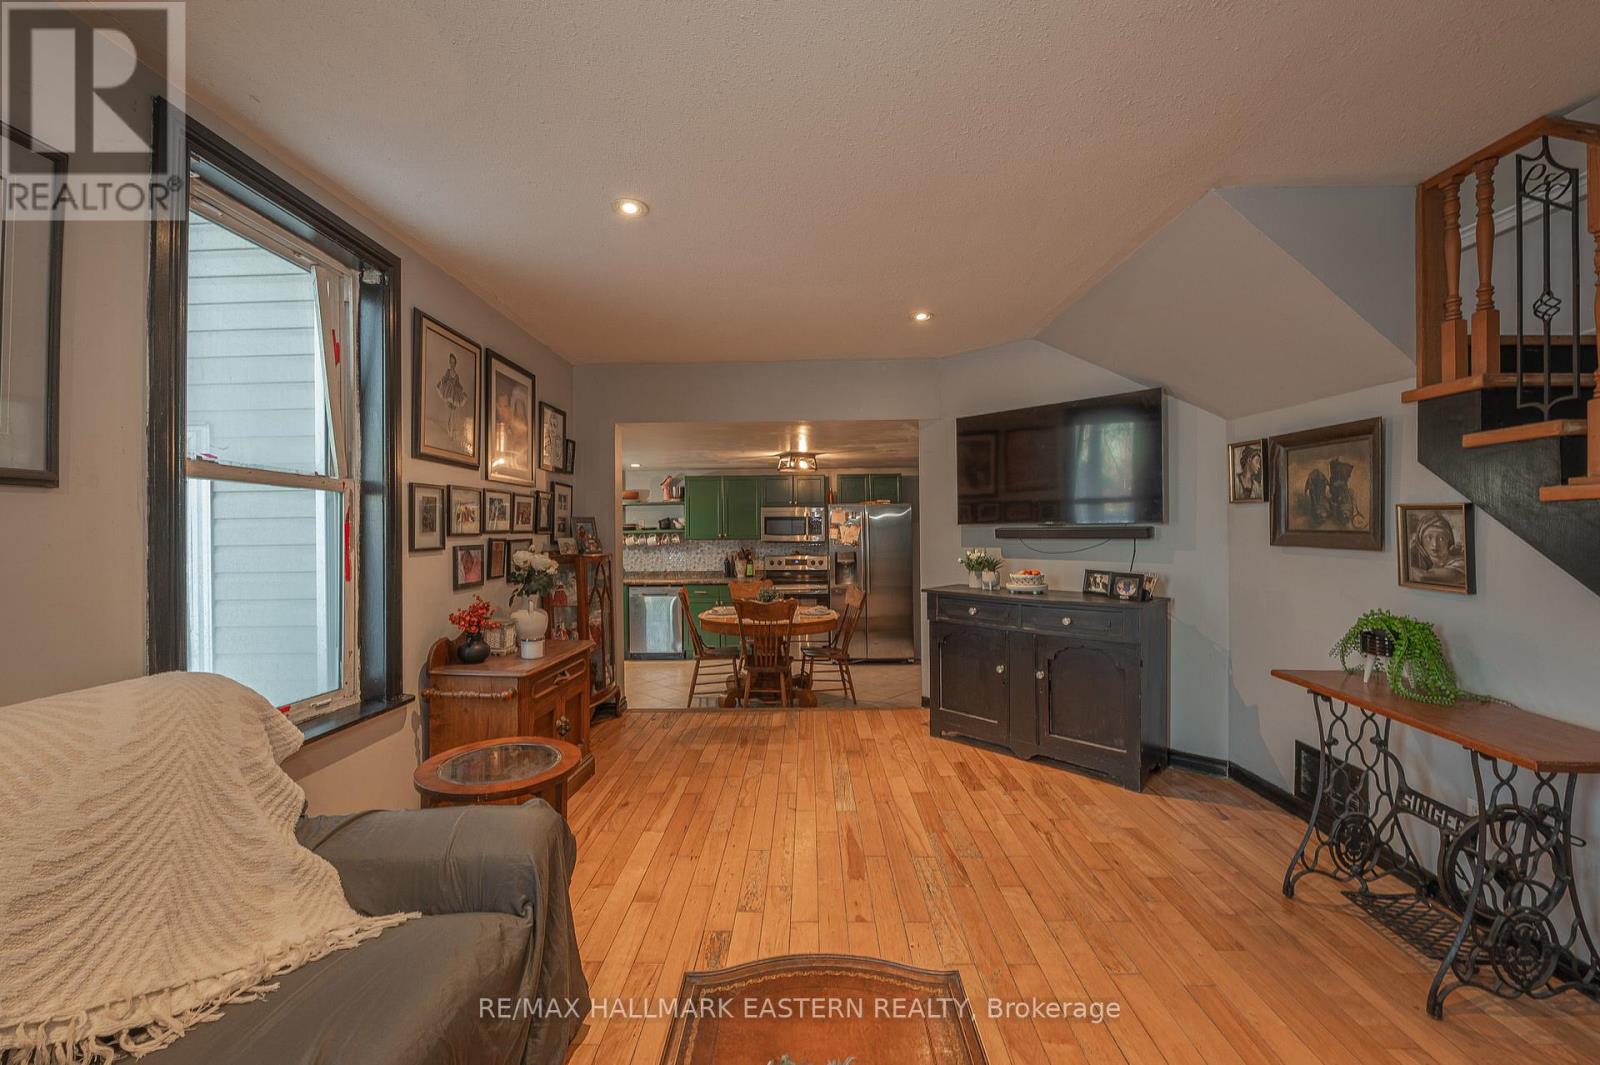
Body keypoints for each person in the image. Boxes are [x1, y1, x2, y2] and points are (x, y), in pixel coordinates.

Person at [1408, 513, 1467, 584]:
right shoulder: (1419, 560)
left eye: (1441, 539)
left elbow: (1423, 577)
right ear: (1420, 541)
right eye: (1429, 538)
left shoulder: (1460, 563)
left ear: (1449, 541)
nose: (1435, 544)